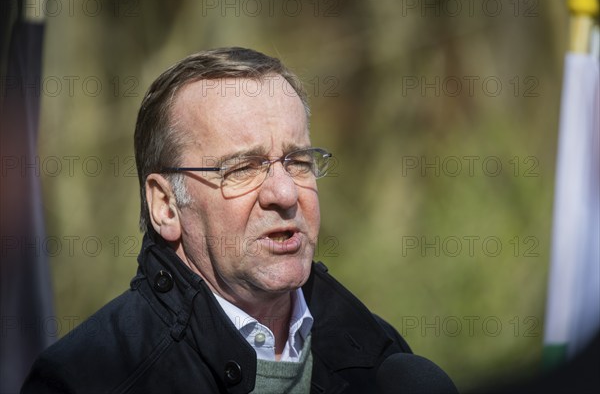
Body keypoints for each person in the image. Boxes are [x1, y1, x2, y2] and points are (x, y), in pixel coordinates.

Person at [22, 47, 416, 393]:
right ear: (166, 205)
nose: (284, 193)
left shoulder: (385, 361)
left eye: (297, 162)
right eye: (243, 168)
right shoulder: (87, 378)